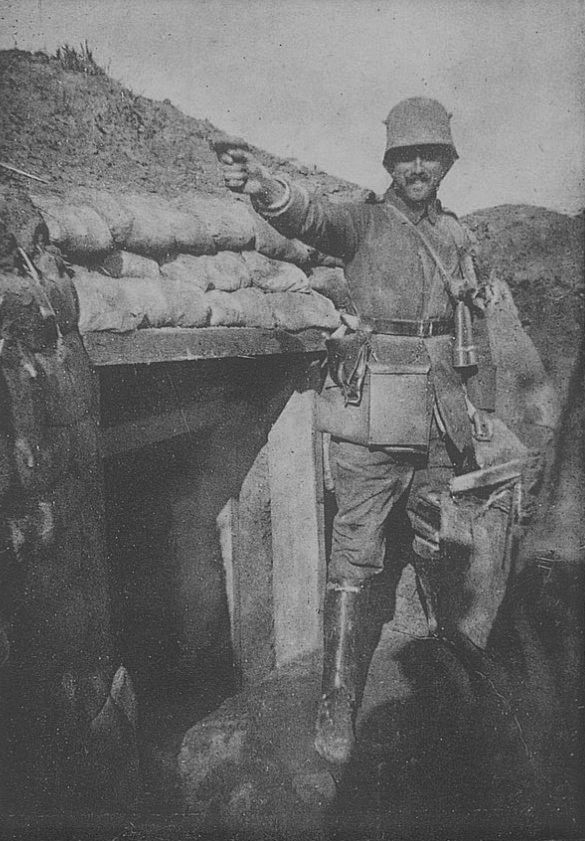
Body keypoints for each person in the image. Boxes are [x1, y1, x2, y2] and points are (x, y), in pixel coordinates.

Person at [219, 97, 497, 765]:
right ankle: (335, 696)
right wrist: (264, 188)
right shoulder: (362, 222)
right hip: (373, 416)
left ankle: (443, 656)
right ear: (389, 163)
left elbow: (473, 331)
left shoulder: (459, 236)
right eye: (405, 155)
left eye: (428, 154)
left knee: (442, 540)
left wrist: (480, 407)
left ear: (447, 161)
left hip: (442, 417)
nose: (416, 166)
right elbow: (307, 214)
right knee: (354, 556)